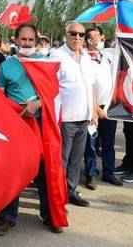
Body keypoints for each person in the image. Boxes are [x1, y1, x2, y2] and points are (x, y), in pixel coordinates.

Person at [0, 23, 61, 235]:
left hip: (41, 124)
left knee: (43, 170)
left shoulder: (45, 64)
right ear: (15, 40)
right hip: (16, 124)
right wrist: (15, 112)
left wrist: (37, 105)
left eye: (31, 40)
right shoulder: (7, 65)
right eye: (23, 39)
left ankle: (49, 216)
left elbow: (51, 93)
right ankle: (8, 217)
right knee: (14, 171)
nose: (27, 43)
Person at [50, 22, 98, 207]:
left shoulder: (86, 57)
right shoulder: (57, 56)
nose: (77, 37)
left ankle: (72, 191)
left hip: (83, 118)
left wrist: (93, 109)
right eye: (73, 33)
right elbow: (51, 88)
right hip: (65, 119)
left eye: (81, 34)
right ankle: (57, 196)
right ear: (66, 34)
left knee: (76, 160)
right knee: (61, 160)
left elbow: (91, 85)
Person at [82, 26, 123, 189]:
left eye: (99, 36)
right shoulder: (84, 58)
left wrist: (119, 30)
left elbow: (122, 45)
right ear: (88, 41)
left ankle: (108, 172)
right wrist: (96, 109)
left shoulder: (107, 55)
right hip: (92, 108)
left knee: (108, 143)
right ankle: (90, 174)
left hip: (108, 108)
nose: (97, 40)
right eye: (92, 37)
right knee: (91, 144)